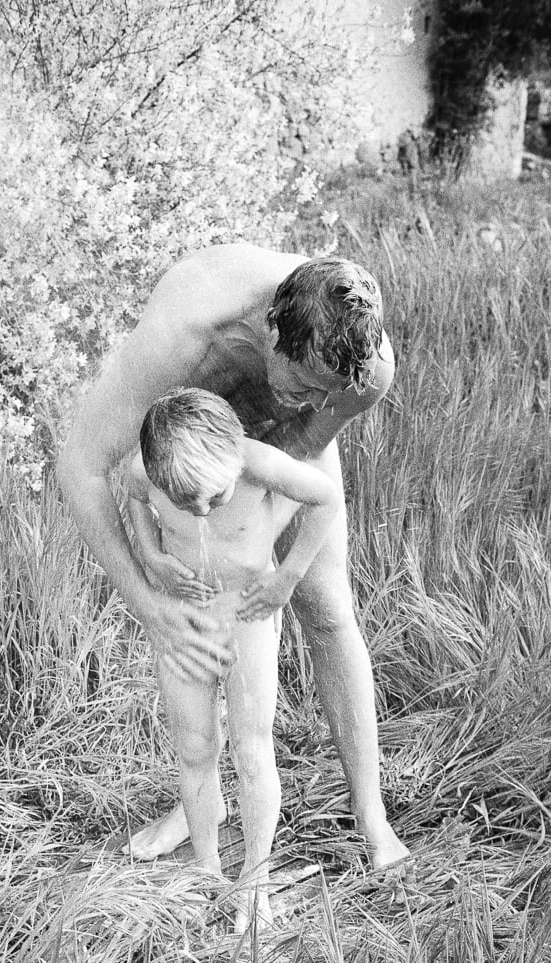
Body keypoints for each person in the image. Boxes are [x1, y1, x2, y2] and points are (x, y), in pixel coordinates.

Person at [58, 244, 410, 873]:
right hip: (190, 432)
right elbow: (82, 466)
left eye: (322, 392)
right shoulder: (189, 330)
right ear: (274, 330)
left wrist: (271, 558)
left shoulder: (365, 373)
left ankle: (373, 817)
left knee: (328, 610)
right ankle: (203, 805)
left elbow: (302, 443)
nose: (308, 399)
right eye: (301, 383)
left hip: (272, 452)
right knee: (196, 607)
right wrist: (147, 600)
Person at [128, 387, 340, 931]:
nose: (200, 510)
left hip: (247, 614)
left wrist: (287, 578)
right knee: (195, 746)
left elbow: (325, 498)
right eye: (184, 502)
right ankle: (205, 873)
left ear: (235, 460)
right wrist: (152, 552)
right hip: (189, 618)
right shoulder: (148, 471)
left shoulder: (256, 463)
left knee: (252, 746)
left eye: (214, 498)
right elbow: (131, 495)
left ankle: (255, 881)